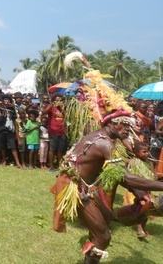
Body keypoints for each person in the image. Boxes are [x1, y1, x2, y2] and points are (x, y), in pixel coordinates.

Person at [51, 110, 163, 263]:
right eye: (126, 127)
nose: (129, 133)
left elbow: (115, 175)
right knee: (103, 236)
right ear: (113, 124)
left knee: (107, 220)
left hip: (83, 185)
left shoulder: (101, 137)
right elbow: (125, 177)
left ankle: (90, 254)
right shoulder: (105, 143)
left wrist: (138, 192)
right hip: (76, 188)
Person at [0, 94, 23, 168]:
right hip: (1, 129)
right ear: (2, 100)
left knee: (13, 147)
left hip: (10, 130)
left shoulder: (12, 109)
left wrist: (17, 134)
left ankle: (17, 163)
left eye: (8, 99)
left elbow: (15, 121)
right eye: (5, 99)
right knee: (2, 147)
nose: (6, 101)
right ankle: (4, 161)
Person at [43, 93, 66, 172]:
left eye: (59, 100)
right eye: (56, 100)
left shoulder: (63, 108)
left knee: (60, 150)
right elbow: (44, 112)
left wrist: (63, 108)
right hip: (53, 131)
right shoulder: (51, 108)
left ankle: (60, 166)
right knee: (52, 149)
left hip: (62, 132)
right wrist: (51, 105)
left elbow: (67, 117)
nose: (58, 101)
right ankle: (51, 166)